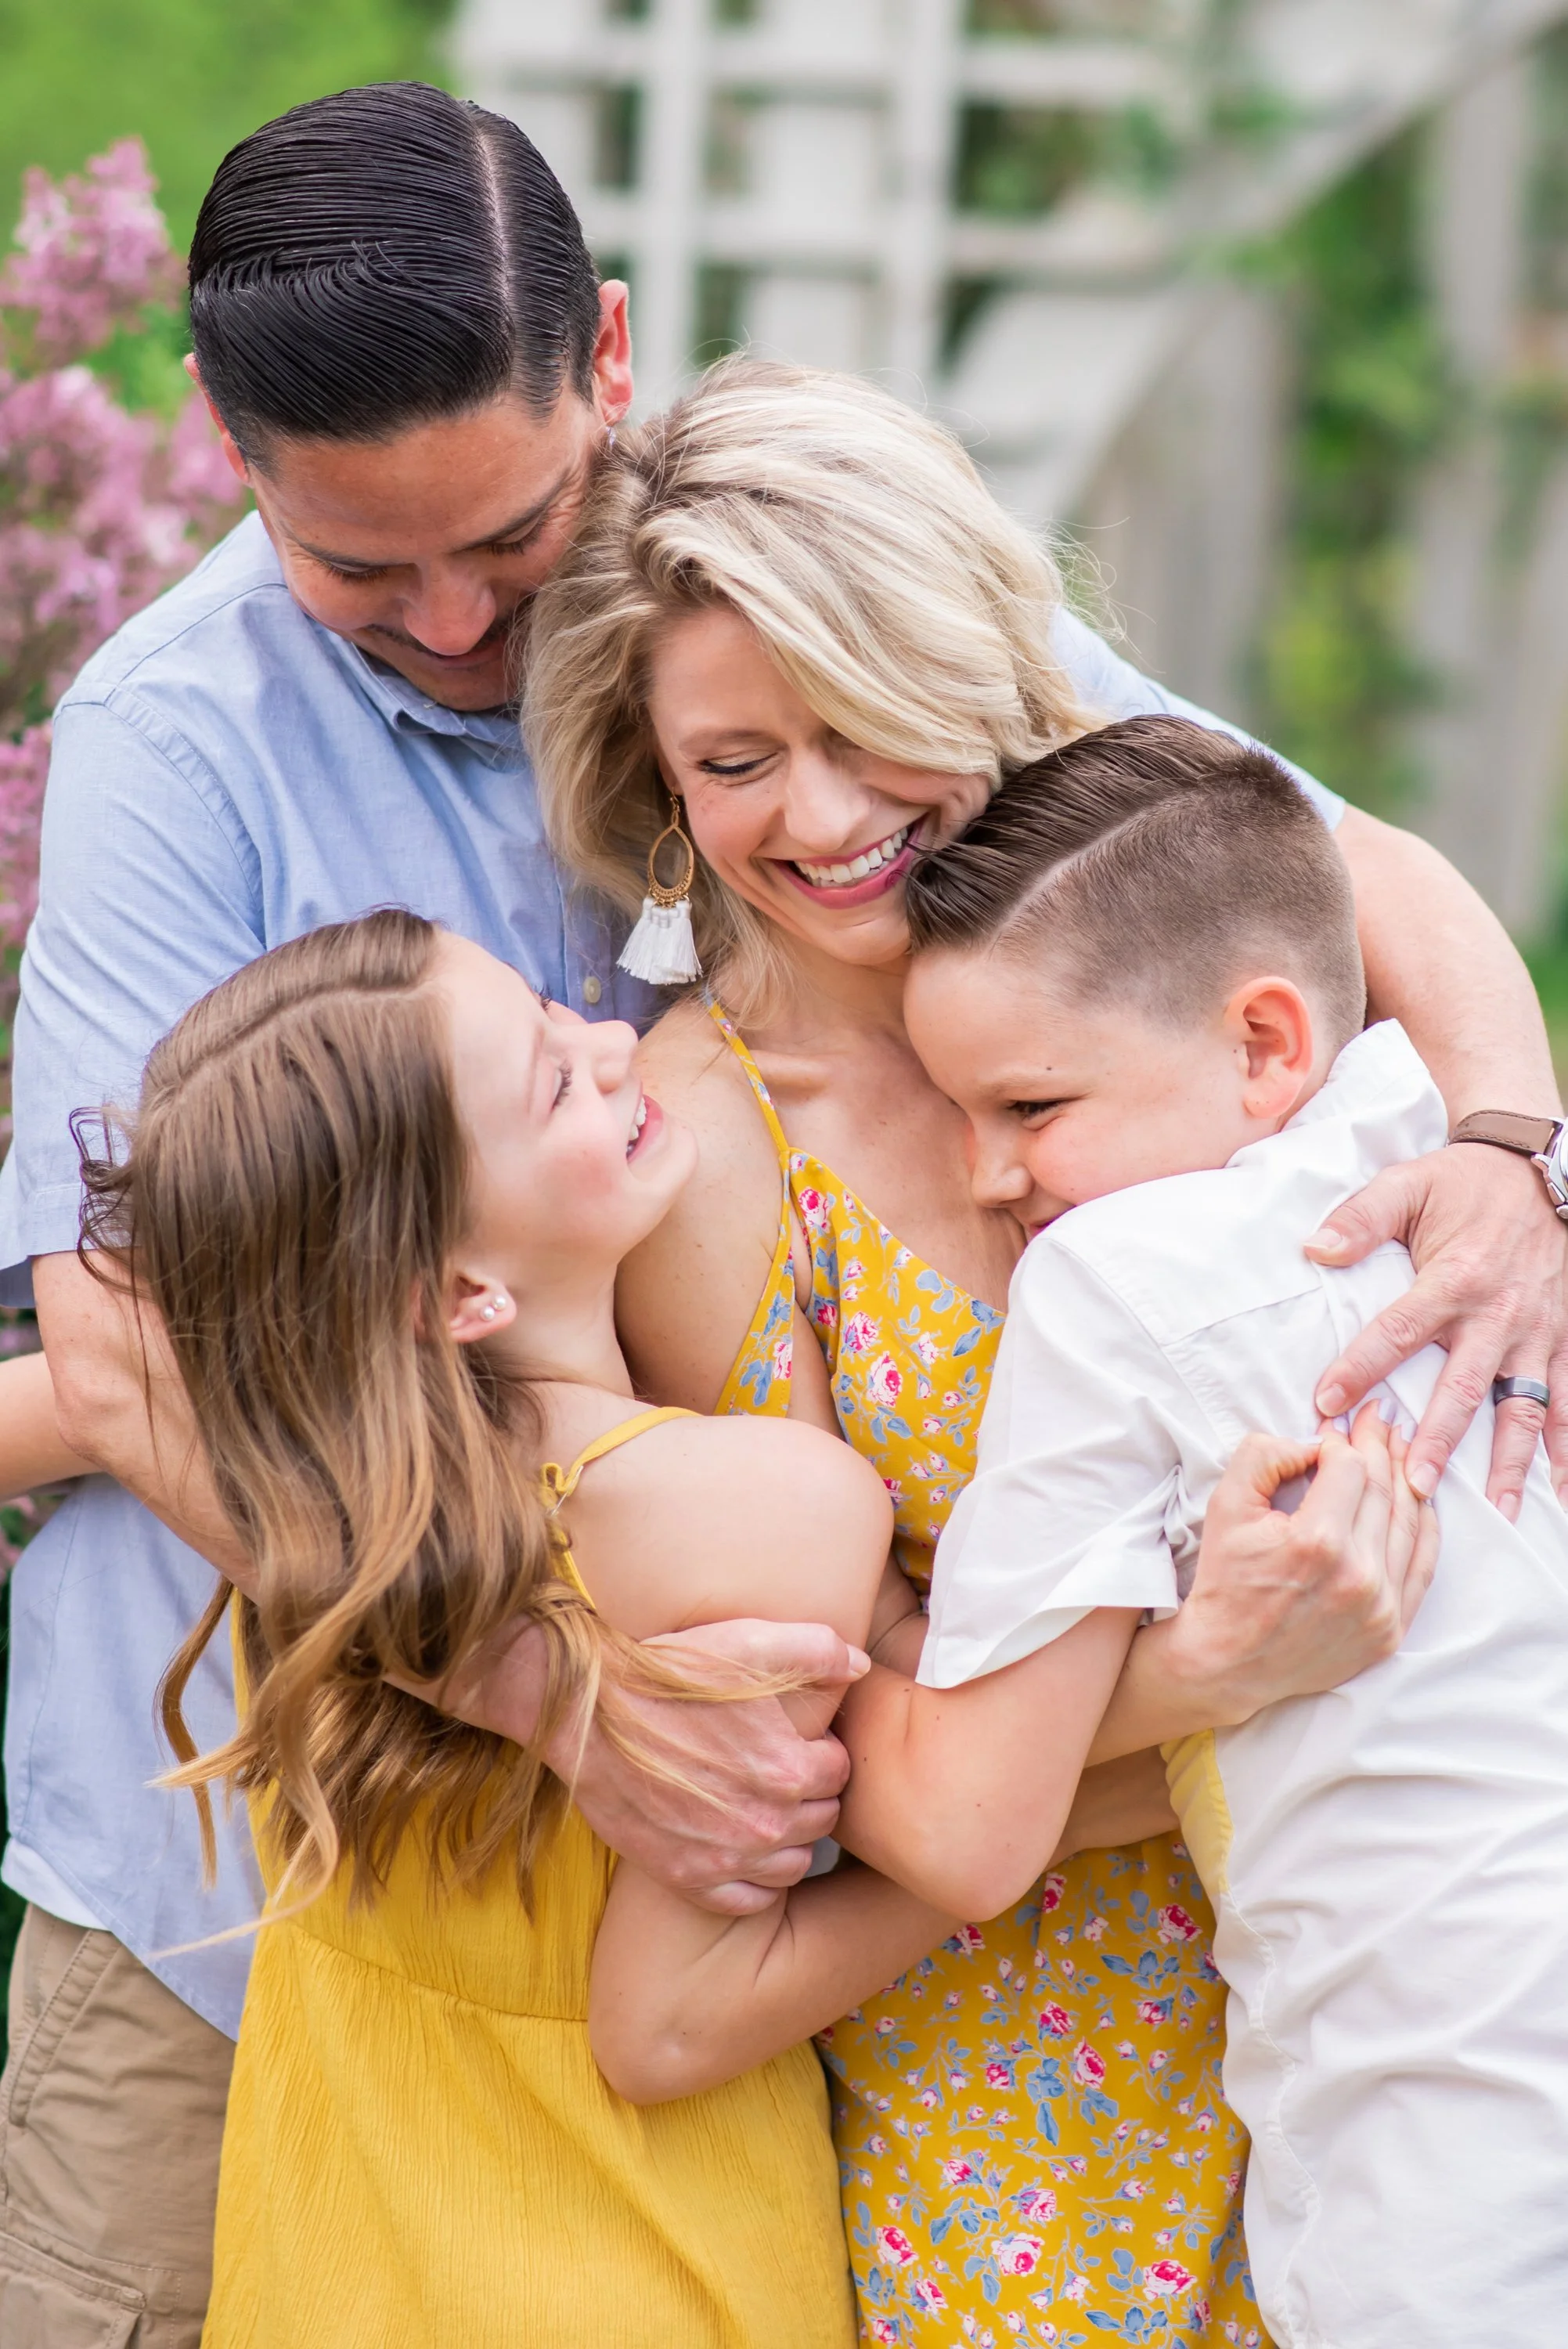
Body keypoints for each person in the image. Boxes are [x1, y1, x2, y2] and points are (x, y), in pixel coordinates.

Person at [0, 85, 1559, 2341]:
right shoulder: (202, 754)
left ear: (604, 368)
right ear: (222, 444)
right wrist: (561, 1694)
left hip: (1205, 1990)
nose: (453, 625)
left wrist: (1515, 1163)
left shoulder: (784, 616)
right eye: (362, 568)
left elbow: (1333, 871)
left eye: (508, 544)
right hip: (286, 1883)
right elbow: (148, 1339)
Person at [520, 359, 1568, 2340]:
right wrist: (1211, 1671)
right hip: (1041, 2061)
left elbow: (1393, 899)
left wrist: (1522, 1159)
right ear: (656, 792)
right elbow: (839, 1737)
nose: (819, 817)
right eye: (734, 763)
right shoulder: (711, 1140)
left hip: (1428, 1973)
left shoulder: (1156, 909)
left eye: (863, 724)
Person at [0, 907, 1423, 2347]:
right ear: (461, 1292)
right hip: (617, 2248)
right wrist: (1185, 1688)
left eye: (561, 1017)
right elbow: (667, 2023)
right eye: (552, 1081)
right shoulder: (745, 1508)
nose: (618, 1042)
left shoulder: (313, 1482)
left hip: (345, 2211)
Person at [896, 713, 1568, 2344]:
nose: (986, 1175)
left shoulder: (1117, 1275)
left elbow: (971, 1822)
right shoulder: (1504, 1185)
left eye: (1028, 1105)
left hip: (1439, 2120)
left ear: (1263, 1043)